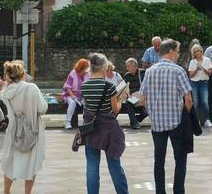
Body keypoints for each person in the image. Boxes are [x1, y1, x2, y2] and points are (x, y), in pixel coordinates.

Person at [140, 39, 193, 194]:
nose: (178, 54)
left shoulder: (149, 71)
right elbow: (188, 98)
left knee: (159, 160)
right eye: (177, 51)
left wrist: (151, 111)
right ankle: (178, 191)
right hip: (177, 122)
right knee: (181, 159)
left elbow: (142, 98)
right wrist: (186, 113)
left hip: (157, 123)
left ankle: (160, 191)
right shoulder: (178, 71)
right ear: (170, 51)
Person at [81, 53, 129, 194]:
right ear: (104, 67)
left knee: (92, 166)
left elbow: (88, 106)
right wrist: (121, 99)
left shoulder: (84, 86)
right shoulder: (109, 86)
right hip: (108, 129)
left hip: (91, 129)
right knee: (114, 164)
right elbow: (115, 110)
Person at [0, 60, 48, 194]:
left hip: (14, 129)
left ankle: (6, 191)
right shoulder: (31, 88)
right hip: (32, 128)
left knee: (10, 161)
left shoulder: (6, 91)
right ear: (22, 74)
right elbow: (43, 108)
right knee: (31, 163)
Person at [187, 44, 212, 128]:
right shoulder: (192, 62)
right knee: (196, 102)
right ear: (193, 53)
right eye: (196, 51)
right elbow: (190, 75)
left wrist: (202, 68)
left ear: (201, 51)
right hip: (194, 83)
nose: (198, 53)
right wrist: (197, 69)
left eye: (199, 51)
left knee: (205, 102)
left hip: (204, 82)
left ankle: (207, 120)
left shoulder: (207, 60)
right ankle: (196, 120)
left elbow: (209, 73)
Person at [62, 58, 90, 130]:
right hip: (71, 94)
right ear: (81, 67)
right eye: (86, 67)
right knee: (72, 103)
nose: (87, 69)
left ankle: (86, 122)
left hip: (83, 96)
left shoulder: (88, 73)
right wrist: (72, 95)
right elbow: (67, 86)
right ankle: (68, 122)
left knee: (87, 103)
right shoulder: (73, 72)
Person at [122, 58, 148, 129]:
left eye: (128, 66)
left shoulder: (144, 73)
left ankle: (135, 120)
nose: (127, 68)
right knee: (128, 102)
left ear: (135, 66)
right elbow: (124, 86)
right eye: (126, 66)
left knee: (145, 112)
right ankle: (134, 123)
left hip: (143, 98)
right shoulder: (127, 75)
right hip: (133, 98)